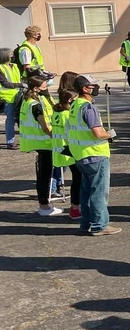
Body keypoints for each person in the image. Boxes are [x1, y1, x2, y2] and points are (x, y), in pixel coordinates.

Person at [67, 76, 120, 235]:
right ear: (85, 88)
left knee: (86, 191)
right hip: (95, 155)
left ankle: (87, 223)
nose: (95, 88)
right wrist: (109, 134)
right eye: (92, 86)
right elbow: (97, 132)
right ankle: (100, 225)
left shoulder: (75, 105)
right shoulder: (89, 108)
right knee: (99, 192)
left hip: (80, 154)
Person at [19, 77, 59, 216]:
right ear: (36, 88)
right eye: (44, 86)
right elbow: (45, 127)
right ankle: (44, 206)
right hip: (44, 143)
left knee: (42, 175)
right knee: (45, 176)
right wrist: (56, 136)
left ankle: (44, 205)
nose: (46, 88)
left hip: (37, 143)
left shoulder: (26, 101)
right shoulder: (35, 104)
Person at [51, 89, 82, 220]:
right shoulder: (67, 115)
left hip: (59, 148)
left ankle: (76, 208)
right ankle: (76, 208)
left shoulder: (56, 113)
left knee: (76, 179)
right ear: (70, 100)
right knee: (78, 179)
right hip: (69, 149)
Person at [1, 48, 24, 148]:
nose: (12, 55)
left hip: (19, 95)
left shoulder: (14, 66)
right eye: (10, 54)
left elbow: (19, 77)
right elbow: (5, 83)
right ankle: (10, 142)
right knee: (10, 119)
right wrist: (20, 85)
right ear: (5, 56)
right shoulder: (1, 68)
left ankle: (24, 139)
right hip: (8, 97)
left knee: (21, 118)